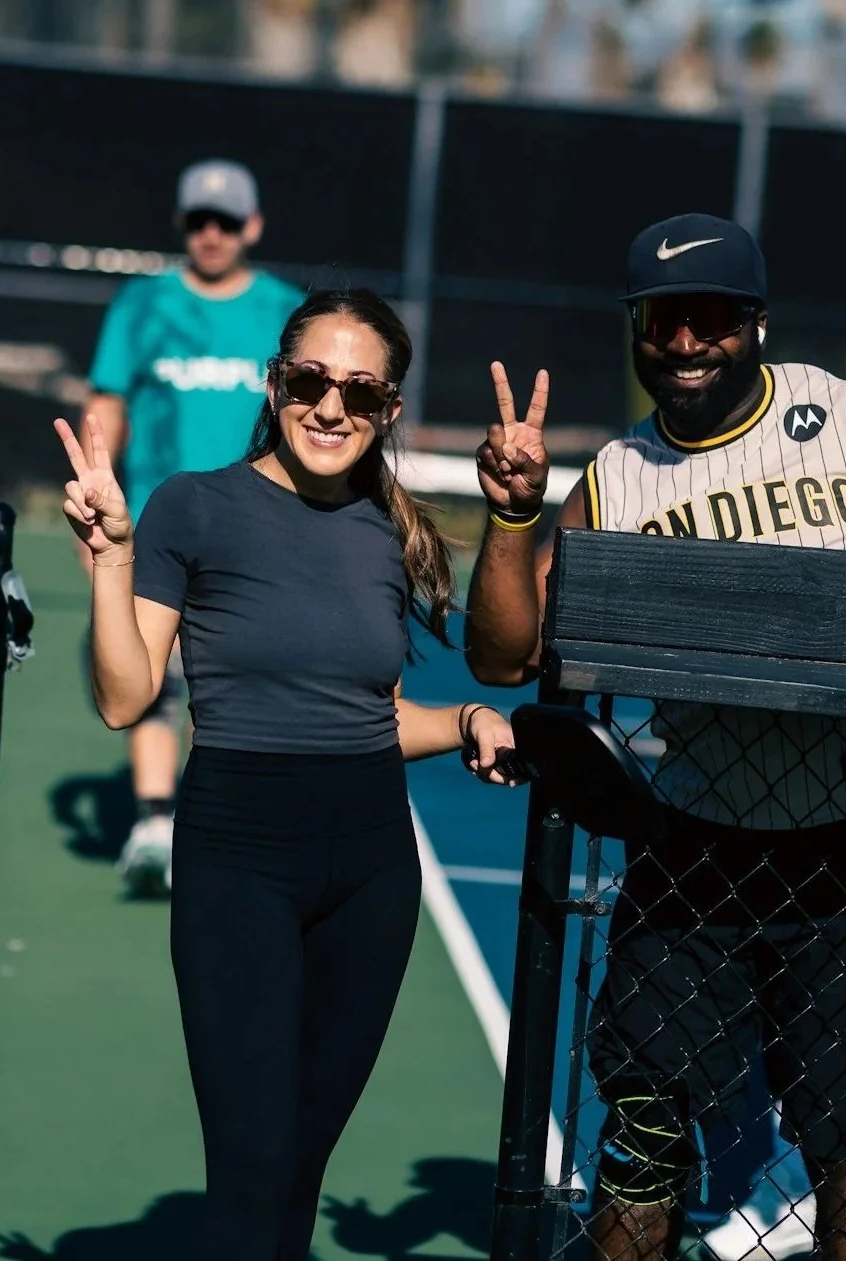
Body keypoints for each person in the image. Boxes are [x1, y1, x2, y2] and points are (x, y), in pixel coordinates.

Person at [463, 214, 846, 1261]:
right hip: (696, 838)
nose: (687, 339)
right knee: (645, 1133)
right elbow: (501, 655)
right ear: (637, 332)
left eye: (711, 317)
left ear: (753, 323)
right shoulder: (614, 478)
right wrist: (515, 513)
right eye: (664, 320)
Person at [59, 287, 523, 1261]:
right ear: (275, 385)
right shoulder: (194, 505)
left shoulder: (389, 534)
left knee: (299, 1167)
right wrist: (110, 560)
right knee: (250, 1166)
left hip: (370, 868)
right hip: (241, 860)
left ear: (390, 409)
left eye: (360, 392)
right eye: (310, 381)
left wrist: (471, 717)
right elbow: (123, 696)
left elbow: (368, 717)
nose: (330, 407)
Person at [83, 157, 307, 895]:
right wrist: (97, 495)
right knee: (153, 674)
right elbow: (108, 402)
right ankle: (154, 821)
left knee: (242, 681)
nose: (210, 234)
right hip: (156, 524)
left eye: (225, 221)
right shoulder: (141, 306)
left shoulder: (284, 311)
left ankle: (219, 823)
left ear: (253, 226)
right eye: (197, 221)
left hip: (258, 528)